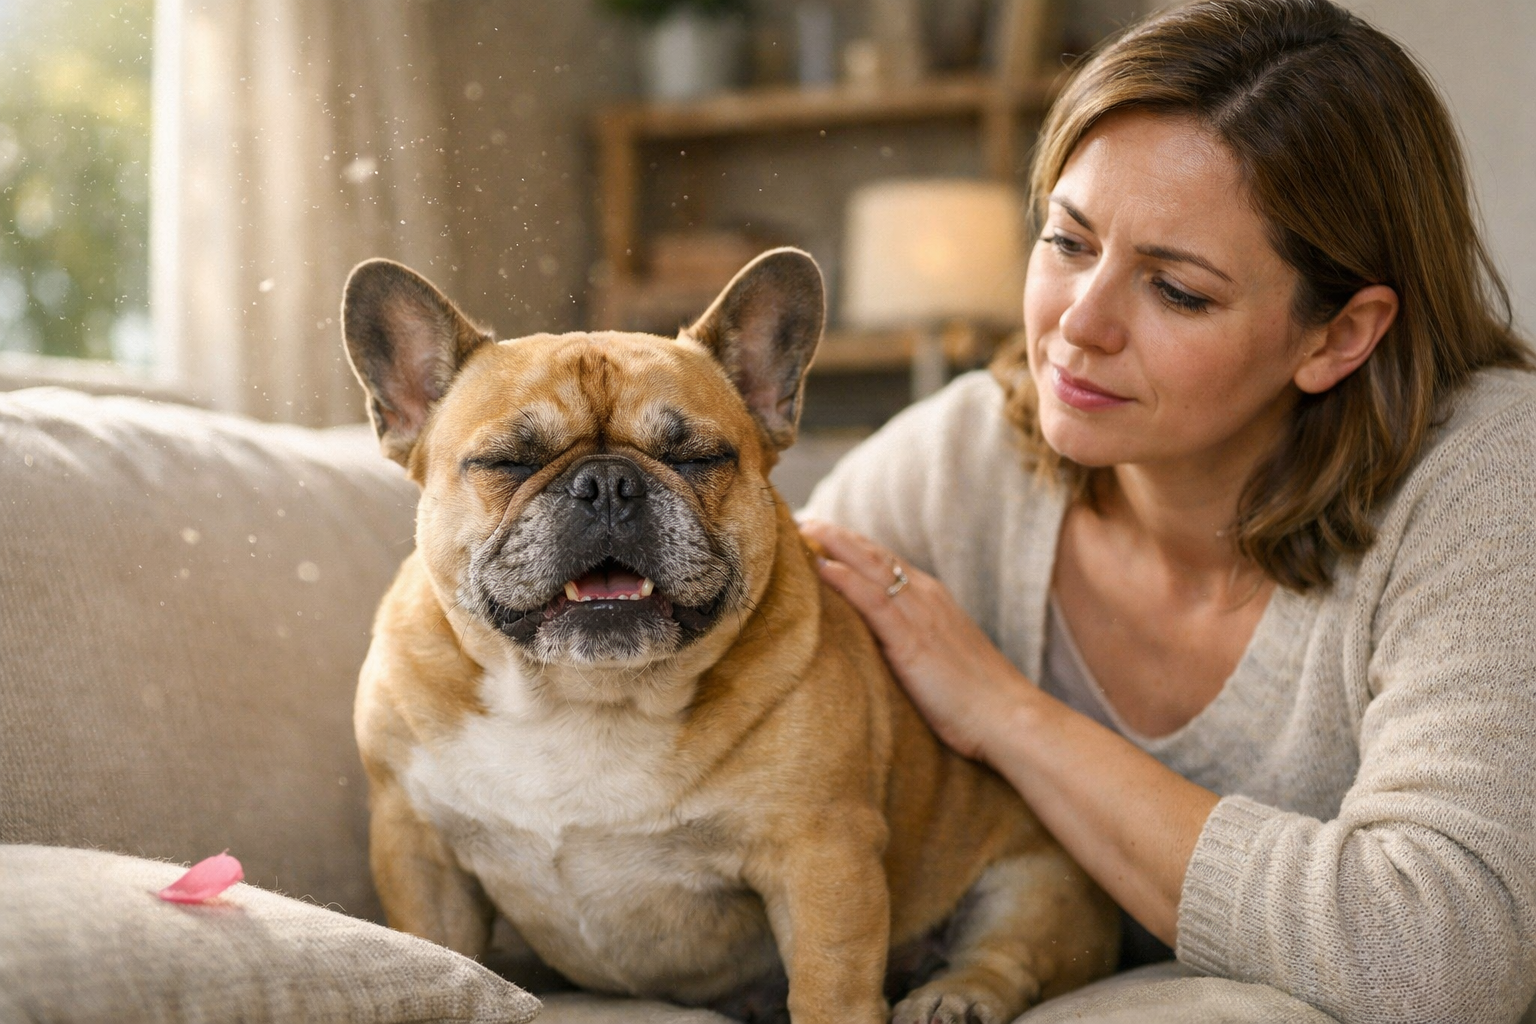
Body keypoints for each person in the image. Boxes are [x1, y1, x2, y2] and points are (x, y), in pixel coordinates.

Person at [798, 1, 1536, 1021]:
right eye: (1067, 240)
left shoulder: (1488, 478)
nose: (1077, 326)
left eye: (1177, 291)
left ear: (1340, 336)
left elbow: (1443, 957)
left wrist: (1007, 716)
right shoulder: (955, 465)